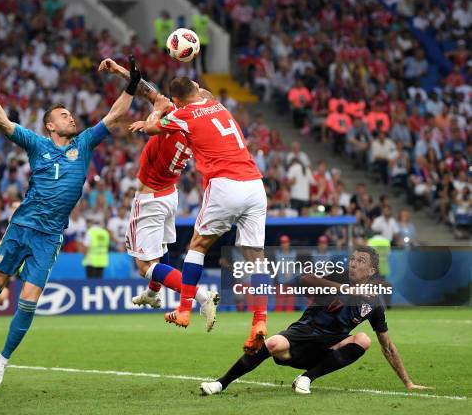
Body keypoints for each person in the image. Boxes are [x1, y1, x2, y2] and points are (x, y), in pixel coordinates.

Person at [0, 56, 142, 389]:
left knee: (28, 302)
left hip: (49, 237)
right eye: (63, 115)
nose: (71, 116)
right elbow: (5, 125)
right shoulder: (37, 145)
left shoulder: (84, 144)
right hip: (21, 227)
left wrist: (133, 84)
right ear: (50, 125)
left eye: (70, 113)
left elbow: (114, 114)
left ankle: (2, 360)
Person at [139, 76, 268, 353]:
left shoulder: (183, 114)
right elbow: (200, 93)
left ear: (177, 101)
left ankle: (184, 308)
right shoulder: (217, 104)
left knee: (197, 245)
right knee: (255, 258)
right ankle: (259, 321)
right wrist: (193, 88)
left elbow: (151, 127)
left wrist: (157, 111)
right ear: (197, 90)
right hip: (255, 184)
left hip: (225, 183)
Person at [200, 246, 431, 396]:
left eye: (360, 261)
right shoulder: (337, 273)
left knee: (363, 339)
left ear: (371, 270)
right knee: (271, 344)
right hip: (302, 336)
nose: (353, 263)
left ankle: (306, 378)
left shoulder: (374, 303)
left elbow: (387, 346)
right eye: (352, 259)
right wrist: (346, 289)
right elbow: (305, 278)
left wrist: (408, 382)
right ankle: (221, 383)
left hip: (326, 350)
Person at [100, 58, 218, 330]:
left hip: (150, 197)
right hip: (169, 195)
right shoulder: (195, 123)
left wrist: (152, 115)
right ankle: (153, 294)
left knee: (145, 265)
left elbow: (154, 106)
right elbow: (149, 91)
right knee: (161, 250)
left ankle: (201, 296)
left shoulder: (173, 118)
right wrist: (120, 70)